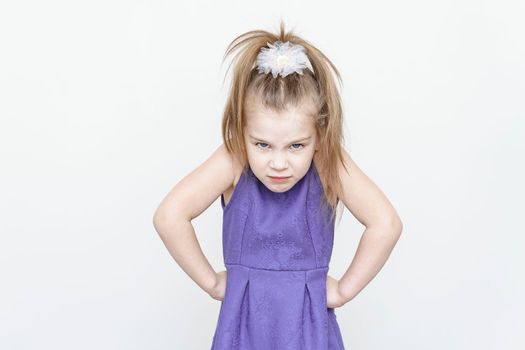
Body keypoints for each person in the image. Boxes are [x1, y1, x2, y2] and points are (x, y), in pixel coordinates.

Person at [152, 21, 403, 350]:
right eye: (263, 145)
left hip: (308, 327)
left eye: (296, 146)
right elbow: (169, 216)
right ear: (242, 132)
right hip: (244, 327)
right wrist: (211, 282)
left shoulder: (327, 161)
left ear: (319, 136)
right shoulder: (234, 159)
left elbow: (386, 223)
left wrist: (344, 290)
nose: (279, 162)